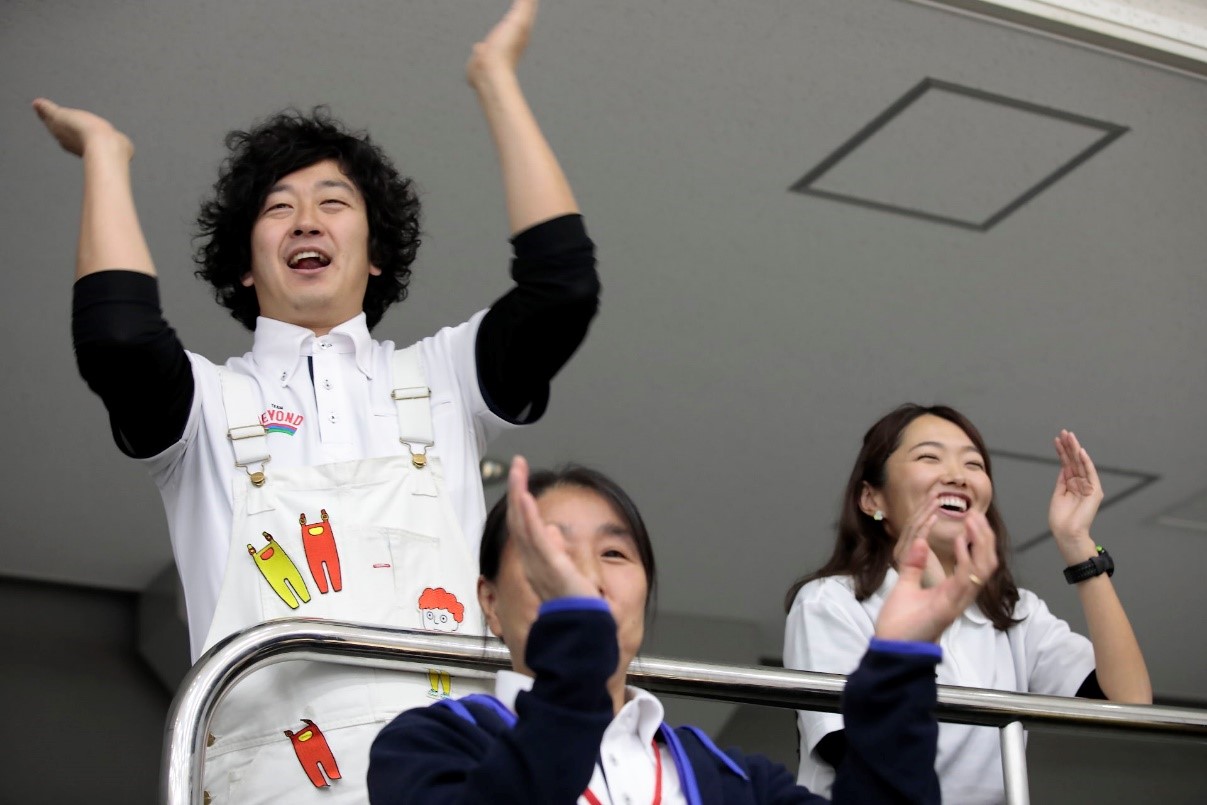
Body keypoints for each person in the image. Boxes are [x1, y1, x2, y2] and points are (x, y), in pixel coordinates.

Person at [34, 1, 598, 801]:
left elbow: (561, 290)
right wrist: (105, 156)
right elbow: (118, 340)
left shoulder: (445, 377)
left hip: (455, 775)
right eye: (277, 207)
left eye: (334, 202)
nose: (306, 219)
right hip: (267, 781)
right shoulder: (205, 406)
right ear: (242, 264)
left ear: (374, 256)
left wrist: (497, 81)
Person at [368, 456, 998, 804]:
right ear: (491, 603)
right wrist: (576, 652)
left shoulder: (729, 778)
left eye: (615, 555)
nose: (587, 575)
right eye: (552, 556)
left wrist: (899, 661)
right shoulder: (427, 746)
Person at [783, 404, 1151, 804]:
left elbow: (1128, 705)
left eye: (974, 464)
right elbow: (864, 756)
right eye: (929, 456)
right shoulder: (832, 600)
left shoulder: (1012, 611)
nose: (957, 476)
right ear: (872, 499)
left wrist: (1078, 543)